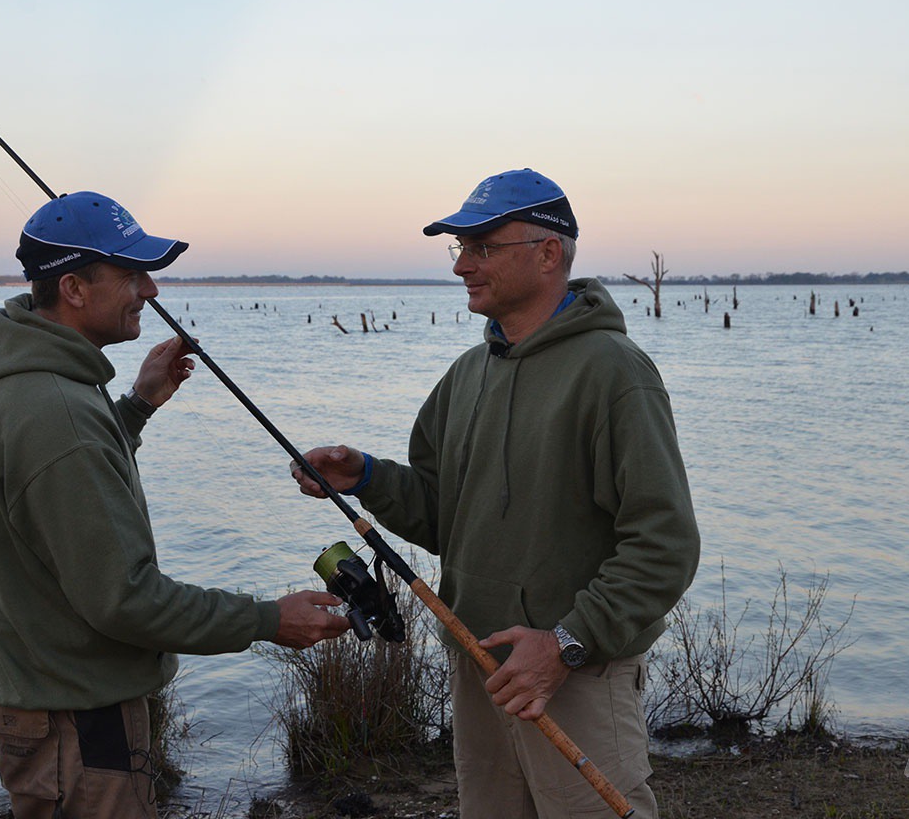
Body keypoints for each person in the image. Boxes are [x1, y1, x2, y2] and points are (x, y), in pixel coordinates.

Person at [291, 169, 700, 818]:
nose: (463, 267)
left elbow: (666, 545)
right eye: (459, 248)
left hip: (578, 676)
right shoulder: (466, 374)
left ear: (548, 253)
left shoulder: (615, 374)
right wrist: (365, 477)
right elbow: (448, 516)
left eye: (482, 247)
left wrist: (567, 642)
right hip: (481, 668)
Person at [0, 191, 350, 819]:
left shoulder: (11, 378)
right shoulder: (58, 411)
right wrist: (269, 620)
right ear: (76, 288)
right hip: (77, 720)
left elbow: (58, 486)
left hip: (39, 698)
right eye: (132, 274)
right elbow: (126, 598)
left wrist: (137, 407)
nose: (150, 291)